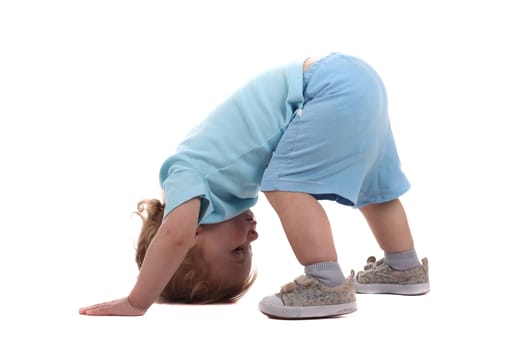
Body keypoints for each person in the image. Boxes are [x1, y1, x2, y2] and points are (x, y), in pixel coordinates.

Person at [79, 52, 430, 319]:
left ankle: (326, 281)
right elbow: (176, 237)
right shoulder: (218, 180)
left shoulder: (184, 174)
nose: (253, 238)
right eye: (249, 250)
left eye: (237, 250)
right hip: (352, 77)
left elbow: (173, 236)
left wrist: (137, 301)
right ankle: (404, 266)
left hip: (321, 87)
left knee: (283, 185)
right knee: (373, 186)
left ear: (194, 234)